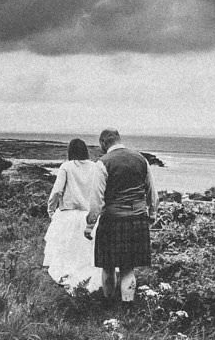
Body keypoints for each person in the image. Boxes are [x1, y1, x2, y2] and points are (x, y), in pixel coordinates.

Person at [84, 128, 157, 303]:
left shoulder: (103, 163)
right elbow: (151, 192)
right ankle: (127, 306)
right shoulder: (141, 159)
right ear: (118, 139)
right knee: (128, 268)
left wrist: (90, 224)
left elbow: (96, 199)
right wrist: (152, 213)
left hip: (112, 220)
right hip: (138, 219)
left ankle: (108, 304)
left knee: (108, 266)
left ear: (103, 143)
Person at [42, 138, 104, 293]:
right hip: (89, 215)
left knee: (66, 250)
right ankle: (86, 283)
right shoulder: (95, 167)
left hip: (68, 215)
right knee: (86, 252)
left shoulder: (66, 166)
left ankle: (67, 278)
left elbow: (57, 191)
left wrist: (51, 210)